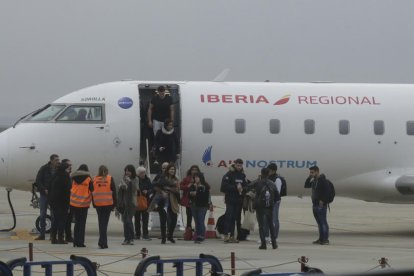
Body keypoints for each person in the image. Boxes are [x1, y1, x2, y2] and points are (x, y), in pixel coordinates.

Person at [220, 158, 248, 243]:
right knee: (229, 217)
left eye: (240, 165)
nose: (239, 167)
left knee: (235, 218)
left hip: (238, 200)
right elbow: (223, 187)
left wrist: (243, 189)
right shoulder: (229, 174)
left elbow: (246, 186)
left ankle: (232, 236)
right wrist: (235, 188)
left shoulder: (242, 175)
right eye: (237, 165)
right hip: (230, 200)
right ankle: (226, 235)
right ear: (234, 165)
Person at [252, 168, 279, 250]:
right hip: (269, 206)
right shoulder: (272, 183)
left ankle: (263, 244)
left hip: (260, 207)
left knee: (261, 225)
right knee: (271, 224)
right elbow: (277, 196)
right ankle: (274, 243)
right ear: (268, 174)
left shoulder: (258, 182)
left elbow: (248, 187)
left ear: (261, 173)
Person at [34, 154, 60, 240]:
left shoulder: (58, 169)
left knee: (54, 215)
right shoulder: (44, 168)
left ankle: (53, 235)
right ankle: (42, 235)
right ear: (51, 160)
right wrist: (44, 189)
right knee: (42, 215)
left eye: (58, 160)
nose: (58, 161)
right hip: (44, 194)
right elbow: (38, 180)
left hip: (53, 195)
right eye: (56, 160)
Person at [92, 165, 117, 249]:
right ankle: (103, 243)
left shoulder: (94, 179)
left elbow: (92, 192)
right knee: (104, 224)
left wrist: (94, 204)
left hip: (98, 204)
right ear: (106, 171)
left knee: (101, 223)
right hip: (108, 204)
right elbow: (114, 191)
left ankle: (101, 242)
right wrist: (114, 204)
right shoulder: (109, 178)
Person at [305, 166, 330, 245]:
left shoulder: (323, 181)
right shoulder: (314, 181)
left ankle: (325, 239)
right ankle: (321, 238)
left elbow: (327, 192)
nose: (311, 174)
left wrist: (323, 200)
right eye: (310, 172)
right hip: (315, 204)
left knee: (323, 222)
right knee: (319, 223)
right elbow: (306, 185)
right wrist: (309, 177)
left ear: (317, 172)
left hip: (321, 205)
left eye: (312, 172)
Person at [70, 164, 93, 247]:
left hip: (74, 203)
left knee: (77, 223)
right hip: (84, 204)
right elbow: (92, 190)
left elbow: (70, 188)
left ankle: (75, 242)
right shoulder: (88, 179)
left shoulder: (73, 178)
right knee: (82, 223)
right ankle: (80, 242)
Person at [48, 162, 72, 244]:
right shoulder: (65, 177)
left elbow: (49, 187)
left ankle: (53, 238)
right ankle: (60, 238)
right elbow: (67, 191)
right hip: (63, 202)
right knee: (62, 220)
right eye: (69, 168)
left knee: (55, 220)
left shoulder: (55, 175)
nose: (70, 170)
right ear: (65, 169)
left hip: (54, 201)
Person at [259, 163, 282, 245]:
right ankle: (266, 236)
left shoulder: (277, 179)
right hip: (267, 201)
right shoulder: (268, 178)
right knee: (265, 219)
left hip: (274, 202)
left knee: (274, 220)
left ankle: (274, 237)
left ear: (273, 171)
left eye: (269, 170)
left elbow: (277, 192)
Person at [158, 163, 180, 243]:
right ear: (168, 170)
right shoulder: (162, 178)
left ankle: (170, 235)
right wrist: (162, 191)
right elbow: (156, 187)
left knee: (174, 219)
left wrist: (168, 188)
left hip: (173, 201)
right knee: (163, 220)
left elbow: (177, 190)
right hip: (163, 201)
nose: (172, 171)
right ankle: (163, 238)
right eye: (171, 169)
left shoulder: (176, 179)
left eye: (173, 169)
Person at [118, 164, 138, 245]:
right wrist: (121, 186)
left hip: (131, 203)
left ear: (132, 172)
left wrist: (129, 182)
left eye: (129, 171)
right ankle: (126, 238)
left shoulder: (135, 179)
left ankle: (131, 238)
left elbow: (135, 188)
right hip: (124, 202)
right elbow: (120, 189)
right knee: (124, 221)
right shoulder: (123, 179)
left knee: (129, 220)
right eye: (126, 171)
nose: (127, 172)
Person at [189, 172, 211, 243]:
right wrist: (194, 192)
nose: (196, 179)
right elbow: (189, 195)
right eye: (195, 177)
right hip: (193, 205)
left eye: (197, 177)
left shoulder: (205, 186)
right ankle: (197, 235)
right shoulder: (192, 186)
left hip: (202, 206)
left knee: (201, 220)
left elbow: (204, 196)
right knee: (196, 221)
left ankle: (201, 235)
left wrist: (196, 192)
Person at [180, 165, 201, 232]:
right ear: (190, 171)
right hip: (188, 199)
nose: (194, 171)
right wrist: (187, 186)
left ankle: (197, 228)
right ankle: (189, 227)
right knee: (189, 214)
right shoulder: (186, 178)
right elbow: (180, 186)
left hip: (198, 199)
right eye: (193, 170)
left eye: (196, 170)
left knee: (197, 215)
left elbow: (207, 186)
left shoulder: (200, 178)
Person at [134, 166, 152, 241]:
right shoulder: (136, 180)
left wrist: (147, 191)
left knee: (145, 219)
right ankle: (137, 234)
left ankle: (145, 234)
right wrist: (140, 190)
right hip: (137, 201)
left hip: (145, 201)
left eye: (144, 172)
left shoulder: (147, 179)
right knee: (137, 219)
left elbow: (151, 188)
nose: (143, 174)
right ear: (138, 173)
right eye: (141, 173)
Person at [62, 158, 74, 243]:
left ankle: (68, 236)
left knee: (69, 220)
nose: (70, 167)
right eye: (69, 165)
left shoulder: (70, 176)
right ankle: (61, 236)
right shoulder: (62, 176)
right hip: (64, 201)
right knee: (63, 219)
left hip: (70, 201)